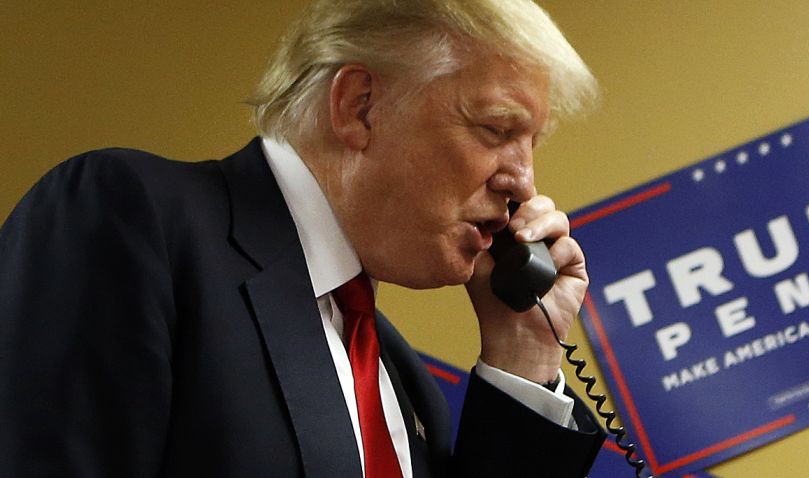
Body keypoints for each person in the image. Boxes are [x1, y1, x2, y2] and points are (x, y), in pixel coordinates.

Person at [0, 1, 606, 476]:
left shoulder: (401, 376)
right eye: (497, 129)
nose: (522, 182)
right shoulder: (129, 213)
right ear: (359, 107)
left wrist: (525, 353)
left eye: (533, 145)